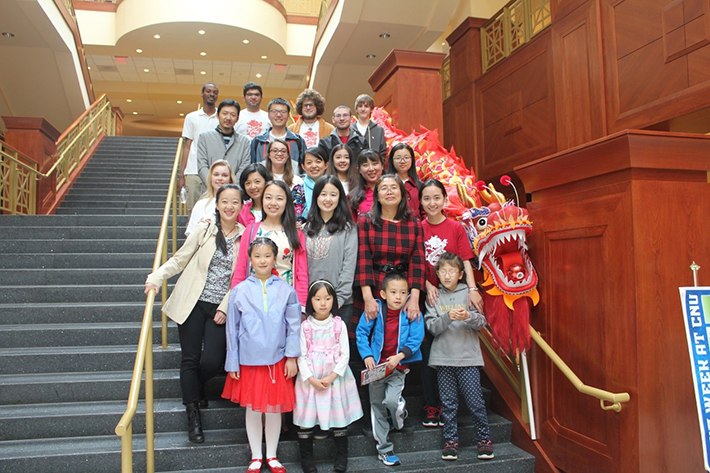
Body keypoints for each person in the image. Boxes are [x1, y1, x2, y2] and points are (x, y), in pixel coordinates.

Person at [144, 184, 245, 444]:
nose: (229, 206)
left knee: (213, 360)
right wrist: (157, 277)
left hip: (220, 307)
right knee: (189, 358)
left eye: (235, 202)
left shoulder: (245, 236)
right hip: (193, 301)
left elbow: (241, 278)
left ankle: (196, 385)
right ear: (217, 204)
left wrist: (225, 306)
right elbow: (180, 259)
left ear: (241, 206)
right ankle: (193, 415)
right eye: (225, 201)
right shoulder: (204, 229)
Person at [222, 237, 301, 473]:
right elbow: (232, 329)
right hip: (248, 360)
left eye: (267, 255)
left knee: (274, 408)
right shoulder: (239, 291)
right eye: (257, 256)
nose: (262, 260)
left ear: (275, 258)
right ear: (250, 259)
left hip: (277, 359)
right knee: (253, 409)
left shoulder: (287, 291)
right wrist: (232, 361)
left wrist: (292, 357)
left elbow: (294, 326)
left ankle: (272, 455)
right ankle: (256, 456)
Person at [424, 252, 494, 462]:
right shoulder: (434, 296)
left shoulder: (469, 295)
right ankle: (450, 441)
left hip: (468, 359)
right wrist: (447, 317)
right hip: (443, 359)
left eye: (452, 271)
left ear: (461, 274)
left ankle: (484, 440)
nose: (447, 276)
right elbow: (431, 327)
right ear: (437, 274)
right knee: (448, 404)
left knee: (475, 402)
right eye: (443, 271)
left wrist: (468, 316)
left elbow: (482, 323)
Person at [356, 272, 425, 467]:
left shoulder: (411, 312)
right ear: (383, 294)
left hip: (398, 368)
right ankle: (384, 450)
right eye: (393, 292)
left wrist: (400, 356)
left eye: (403, 293)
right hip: (377, 369)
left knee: (393, 401)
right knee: (377, 407)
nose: (398, 297)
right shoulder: (376, 309)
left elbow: (416, 338)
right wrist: (367, 355)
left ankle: (400, 417)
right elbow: (361, 332)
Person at [294, 280, 363, 473]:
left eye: (327, 298)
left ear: (334, 300)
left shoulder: (339, 325)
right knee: (307, 418)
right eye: (318, 299)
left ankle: (342, 456)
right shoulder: (305, 327)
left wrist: (332, 376)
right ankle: (306, 459)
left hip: (335, 379)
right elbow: (301, 356)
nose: (323, 303)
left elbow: (345, 354)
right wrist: (311, 379)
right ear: (310, 301)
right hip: (311, 380)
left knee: (338, 415)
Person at [354, 174, 425, 328]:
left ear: (402, 194)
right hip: (374, 286)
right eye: (384, 188)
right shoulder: (366, 222)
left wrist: (414, 298)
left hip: (403, 289)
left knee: (403, 334)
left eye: (394, 187)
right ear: (377, 196)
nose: (389, 192)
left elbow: (417, 264)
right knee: (371, 334)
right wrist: (368, 298)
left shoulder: (415, 224)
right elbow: (363, 261)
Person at [231, 180, 308, 308]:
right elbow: (241, 268)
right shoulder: (250, 231)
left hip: (285, 303)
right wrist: (235, 300)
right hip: (253, 303)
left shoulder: (296, 234)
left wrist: (302, 306)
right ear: (262, 200)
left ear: (287, 202)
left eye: (279, 198)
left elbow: (301, 273)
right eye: (268, 197)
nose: (273, 203)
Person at [304, 175, 357, 327]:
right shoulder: (306, 229)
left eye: (333, 194)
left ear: (340, 198)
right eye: (323, 194)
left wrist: (338, 300)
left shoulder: (348, 229)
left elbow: (349, 266)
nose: (328, 199)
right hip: (311, 303)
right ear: (316, 197)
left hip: (340, 304)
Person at [179, 82, 219, 214]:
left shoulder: (221, 117)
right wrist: (181, 175)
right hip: (193, 170)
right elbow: (187, 146)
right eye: (208, 91)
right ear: (202, 93)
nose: (211, 94)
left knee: (214, 210)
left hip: (215, 171)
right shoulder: (191, 117)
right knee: (194, 211)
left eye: (215, 92)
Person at [197, 99, 251, 185]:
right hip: (209, 189)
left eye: (233, 115)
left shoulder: (244, 141)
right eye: (225, 113)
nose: (228, 118)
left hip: (234, 190)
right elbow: (202, 165)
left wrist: (231, 187)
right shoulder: (204, 137)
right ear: (218, 115)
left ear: (237, 119)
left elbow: (244, 168)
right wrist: (213, 185)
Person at [185, 160, 235, 237]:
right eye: (216, 175)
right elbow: (190, 235)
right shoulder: (201, 204)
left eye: (224, 175)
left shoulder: (239, 205)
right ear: (210, 178)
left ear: (230, 179)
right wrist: (202, 227)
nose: (220, 178)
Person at [251, 98, 306, 167]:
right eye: (274, 111)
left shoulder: (298, 141)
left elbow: (304, 167)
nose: (278, 115)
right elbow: (252, 167)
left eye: (283, 112)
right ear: (268, 115)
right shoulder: (258, 141)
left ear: (288, 115)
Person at [264, 139, 306, 222]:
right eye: (275, 151)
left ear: (288, 156)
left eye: (283, 151)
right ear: (269, 155)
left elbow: (301, 207)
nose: (279, 154)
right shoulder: (263, 179)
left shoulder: (297, 181)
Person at [387, 143, 422, 217]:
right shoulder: (386, 184)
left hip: (417, 223)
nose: (402, 161)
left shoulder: (419, 185)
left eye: (406, 157)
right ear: (392, 160)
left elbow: (424, 211)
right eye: (398, 158)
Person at [348, 149, 384, 219]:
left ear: (382, 166)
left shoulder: (392, 191)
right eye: (365, 165)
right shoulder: (353, 196)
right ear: (359, 170)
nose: (371, 169)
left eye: (374, 164)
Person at [351, 94, 387, 158]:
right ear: (356, 109)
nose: (363, 109)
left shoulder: (379, 130)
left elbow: (382, 153)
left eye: (366, 106)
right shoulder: (350, 130)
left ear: (371, 109)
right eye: (360, 106)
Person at [301, 146, 328, 217]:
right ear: (303, 167)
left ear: (326, 165)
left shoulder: (333, 187)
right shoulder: (298, 190)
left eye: (318, 162)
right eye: (309, 162)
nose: (314, 166)